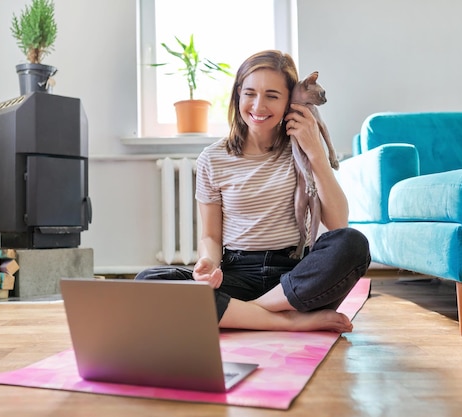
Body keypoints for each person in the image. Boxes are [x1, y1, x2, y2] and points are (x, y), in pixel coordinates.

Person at [136, 50, 370, 333]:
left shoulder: (302, 148)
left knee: (353, 243)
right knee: (149, 280)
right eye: (250, 93)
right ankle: (287, 320)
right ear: (238, 95)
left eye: (272, 95)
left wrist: (316, 153)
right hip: (237, 273)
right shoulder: (212, 158)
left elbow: (337, 224)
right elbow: (210, 235)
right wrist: (208, 262)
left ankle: (243, 313)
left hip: (295, 278)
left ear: (289, 101)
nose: (259, 106)